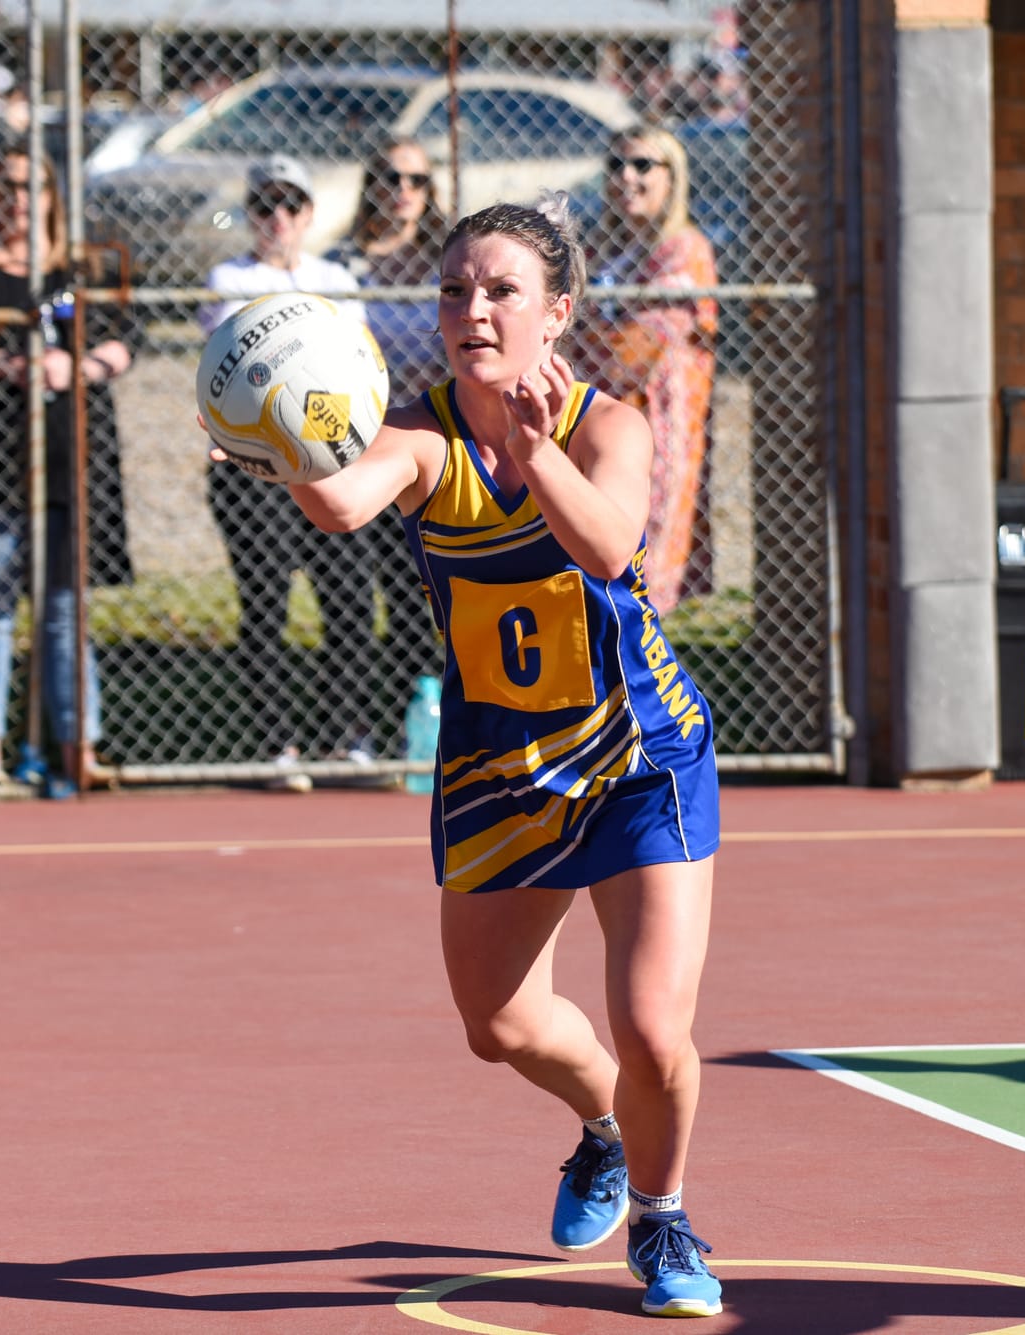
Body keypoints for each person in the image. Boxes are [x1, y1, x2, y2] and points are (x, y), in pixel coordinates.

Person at [248, 199, 724, 1318]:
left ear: (554, 313)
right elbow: (337, 502)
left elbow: (610, 545)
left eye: (500, 290)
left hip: (632, 755)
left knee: (653, 1026)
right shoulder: (415, 431)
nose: (472, 309)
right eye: (455, 289)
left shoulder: (608, 427)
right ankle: (605, 1128)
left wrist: (526, 446)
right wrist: (274, 429)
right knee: (496, 1026)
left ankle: (663, 1223)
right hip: (496, 768)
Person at [0, 144, 137, 791]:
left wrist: (82, 367)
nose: (17, 201)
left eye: (31, 187)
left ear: (51, 196)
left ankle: (78, 746)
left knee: (66, 609)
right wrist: (7, 366)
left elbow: (128, 336)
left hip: (69, 454)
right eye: (6, 187)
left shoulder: (83, 264)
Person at [202, 154, 377, 791]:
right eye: (265, 206)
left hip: (330, 459)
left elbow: (351, 369)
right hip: (257, 466)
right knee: (267, 602)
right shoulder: (229, 276)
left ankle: (343, 734)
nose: (278, 219)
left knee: (352, 601)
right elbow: (245, 370)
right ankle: (278, 743)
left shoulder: (336, 275)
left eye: (291, 206)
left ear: (308, 214)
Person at [325, 139, 449, 729]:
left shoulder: (446, 263)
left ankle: (416, 721)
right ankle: (353, 727)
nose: (403, 192)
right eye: (391, 177)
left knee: (412, 595)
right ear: (371, 183)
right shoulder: (343, 264)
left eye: (416, 181)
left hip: (423, 439)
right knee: (349, 595)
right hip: (355, 443)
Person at [573, 125, 719, 615]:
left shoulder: (684, 249)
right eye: (615, 166)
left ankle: (637, 677)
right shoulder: (595, 251)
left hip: (659, 427)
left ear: (672, 177)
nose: (626, 178)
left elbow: (633, 353)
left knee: (639, 570)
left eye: (642, 166)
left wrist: (586, 333)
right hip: (592, 423)